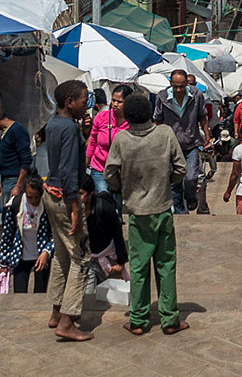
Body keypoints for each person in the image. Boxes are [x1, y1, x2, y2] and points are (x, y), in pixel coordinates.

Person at [104, 93, 188, 336]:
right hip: (162, 209)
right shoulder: (165, 134)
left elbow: (110, 174)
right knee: (166, 264)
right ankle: (170, 319)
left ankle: (139, 320)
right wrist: (165, 182)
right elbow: (181, 168)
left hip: (137, 213)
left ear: (127, 116)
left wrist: (123, 187)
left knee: (139, 268)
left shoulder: (121, 139)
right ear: (151, 112)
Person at [42, 79, 93, 341]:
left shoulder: (54, 124)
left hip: (50, 194)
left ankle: (55, 311)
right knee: (81, 257)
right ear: (69, 102)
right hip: (64, 198)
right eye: (84, 102)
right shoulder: (69, 129)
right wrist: (75, 206)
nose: (86, 106)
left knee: (62, 255)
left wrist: (83, 137)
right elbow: (67, 169)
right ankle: (67, 320)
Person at [153, 69, 211, 214]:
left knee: (190, 177)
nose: (178, 90)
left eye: (181, 86)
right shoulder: (162, 97)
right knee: (175, 181)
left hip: (191, 144)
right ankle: (180, 213)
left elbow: (203, 117)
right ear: (170, 84)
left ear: (187, 84)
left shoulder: (196, 96)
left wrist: (207, 137)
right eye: (175, 86)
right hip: (171, 146)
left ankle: (191, 198)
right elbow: (157, 121)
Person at [0, 170, 53, 293]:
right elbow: (7, 235)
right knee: (19, 294)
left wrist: (47, 252)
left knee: (40, 295)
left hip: (41, 258)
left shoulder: (48, 207)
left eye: (36, 197)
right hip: (20, 258)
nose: (33, 201)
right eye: (29, 197)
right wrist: (4, 263)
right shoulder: (15, 205)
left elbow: (54, 235)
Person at [78, 176, 129, 287]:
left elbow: (117, 234)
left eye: (81, 194)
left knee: (111, 298)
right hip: (88, 261)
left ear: (90, 194)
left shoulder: (104, 208)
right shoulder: (74, 211)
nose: (78, 198)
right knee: (87, 296)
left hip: (109, 259)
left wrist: (120, 262)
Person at [85, 84, 132, 198]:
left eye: (119, 102)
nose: (115, 105)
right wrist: (84, 167)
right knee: (102, 203)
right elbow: (92, 143)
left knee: (118, 207)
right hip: (100, 170)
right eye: (113, 100)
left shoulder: (133, 121)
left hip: (122, 173)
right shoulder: (102, 117)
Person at [0, 104, 32, 206]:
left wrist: (18, 185)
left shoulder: (17, 130)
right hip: (8, 180)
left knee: (14, 215)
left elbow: (26, 159)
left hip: (14, 180)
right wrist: (2, 182)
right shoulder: (5, 132)